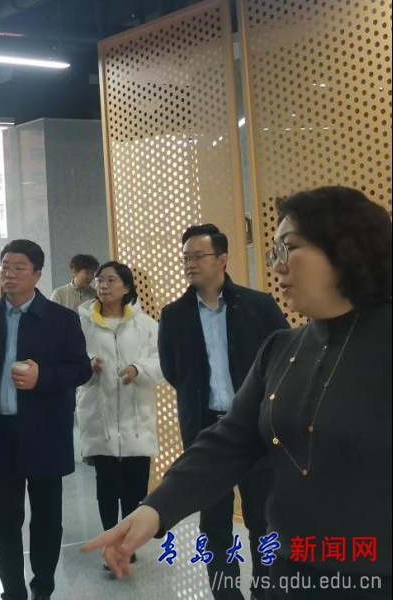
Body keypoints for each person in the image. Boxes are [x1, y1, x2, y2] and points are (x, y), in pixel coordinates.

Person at [83, 186, 392, 599]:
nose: (276, 265)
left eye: (289, 248)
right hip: (291, 572)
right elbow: (229, 441)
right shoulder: (282, 348)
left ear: (345, 248)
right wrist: (155, 509)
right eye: (274, 252)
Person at [156, 223, 289, 599]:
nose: (190, 263)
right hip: (206, 431)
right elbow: (172, 370)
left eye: (198, 256)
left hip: (255, 428)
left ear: (223, 259)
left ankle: (266, 593)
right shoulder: (174, 315)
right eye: (186, 257)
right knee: (214, 525)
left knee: (263, 522)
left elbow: (283, 357)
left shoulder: (258, 305)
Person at [0, 239, 92, 600]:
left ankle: (43, 587)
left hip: (45, 433)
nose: (9, 273)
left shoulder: (61, 319)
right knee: (4, 518)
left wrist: (43, 377)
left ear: (37, 273)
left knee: (47, 518)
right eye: (5, 266)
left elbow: (81, 369)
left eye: (19, 266)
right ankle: (13, 591)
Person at [76, 261, 162, 566]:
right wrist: (88, 364)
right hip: (99, 417)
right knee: (107, 486)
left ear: (127, 287)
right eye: (100, 280)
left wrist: (139, 368)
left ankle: (128, 543)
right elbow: (70, 360)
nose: (103, 285)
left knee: (135, 488)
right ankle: (111, 543)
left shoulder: (146, 325)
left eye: (111, 280)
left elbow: (161, 361)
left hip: (136, 419)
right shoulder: (82, 324)